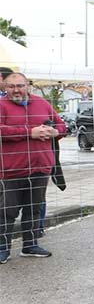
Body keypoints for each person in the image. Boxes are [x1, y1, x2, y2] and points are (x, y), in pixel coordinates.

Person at [0, 72, 66, 264]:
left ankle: (30, 244)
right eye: (11, 86)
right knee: (7, 211)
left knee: (34, 208)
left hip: (40, 168)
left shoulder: (42, 104)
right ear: (5, 87)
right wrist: (30, 133)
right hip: (11, 169)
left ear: (27, 85)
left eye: (19, 85)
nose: (16, 90)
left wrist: (55, 131)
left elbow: (62, 125)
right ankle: (3, 248)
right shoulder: (1, 105)